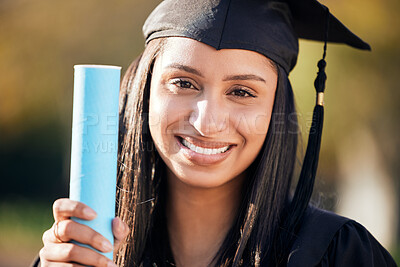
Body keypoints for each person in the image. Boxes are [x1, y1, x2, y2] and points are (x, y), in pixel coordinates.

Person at [33, 0, 397, 266]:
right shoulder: (84, 251)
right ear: (145, 91)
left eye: (242, 92)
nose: (207, 122)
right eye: (183, 83)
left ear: (275, 108)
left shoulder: (340, 255)